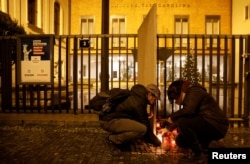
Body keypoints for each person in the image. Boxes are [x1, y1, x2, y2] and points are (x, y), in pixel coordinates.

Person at [163, 79, 229, 163]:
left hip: (216, 124)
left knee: (182, 122)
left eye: (175, 99)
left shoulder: (194, 91)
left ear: (179, 92)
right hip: (206, 123)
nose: (176, 102)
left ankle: (198, 155)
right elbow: (187, 115)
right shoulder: (189, 94)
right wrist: (169, 128)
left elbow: (188, 111)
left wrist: (172, 117)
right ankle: (209, 147)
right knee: (180, 140)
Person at [100, 84, 162, 156]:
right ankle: (112, 139)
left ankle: (122, 141)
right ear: (150, 95)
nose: (154, 101)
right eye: (155, 99)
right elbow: (146, 127)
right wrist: (159, 143)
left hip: (112, 118)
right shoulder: (139, 102)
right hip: (109, 121)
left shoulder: (137, 97)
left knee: (138, 126)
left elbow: (137, 117)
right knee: (142, 129)